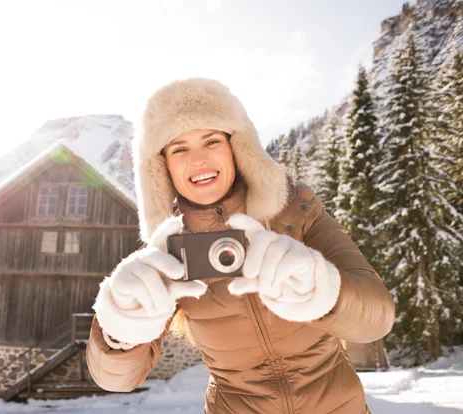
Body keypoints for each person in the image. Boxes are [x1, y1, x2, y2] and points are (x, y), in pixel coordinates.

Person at [86, 78, 395, 414]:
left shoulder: (297, 209)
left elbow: (376, 320)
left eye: (211, 141)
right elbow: (117, 381)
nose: (199, 160)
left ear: (236, 147)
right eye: (179, 149)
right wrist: (120, 328)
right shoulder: (165, 253)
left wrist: (320, 288)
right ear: (162, 168)